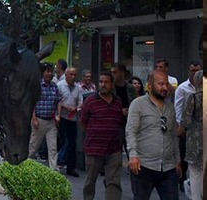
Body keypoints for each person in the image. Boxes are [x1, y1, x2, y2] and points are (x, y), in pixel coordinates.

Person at [126, 69, 181, 200]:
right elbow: (131, 131)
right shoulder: (138, 104)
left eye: (166, 84)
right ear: (150, 85)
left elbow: (173, 135)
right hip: (144, 165)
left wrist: (177, 160)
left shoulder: (170, 107)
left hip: (168, 167)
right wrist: (133, 155)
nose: (165, 88)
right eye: (161, 84)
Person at [80, 71, 125, 200]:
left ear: (112, 84)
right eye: (101, 82)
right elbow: (83, 123)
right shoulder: (90, 101)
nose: (103, 84)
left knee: (114, 182)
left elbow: (119, 123)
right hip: (94, 148)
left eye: (106, 82)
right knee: (90, 181)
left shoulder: (118, 102)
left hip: (113, 150)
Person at [28, 62, 62, 172]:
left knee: (53, 148)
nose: (50, 74)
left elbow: (58, 101)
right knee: (33, 147)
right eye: (47, 71)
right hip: (39, 120)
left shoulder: (54, 86)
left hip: (51, 121)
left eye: (51, 71)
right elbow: (31, 103)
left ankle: (54, 171)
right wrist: (34, 119)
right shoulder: (37, 86)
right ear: (42, 73)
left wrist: (58, 115)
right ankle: (24, 165)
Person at [174, 61, 202, 192]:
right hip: (189, 132)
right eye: (193, 70)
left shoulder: (197, 96)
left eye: (197, 70)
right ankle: (182, 180)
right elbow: (179, 108)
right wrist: (181, 126)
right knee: (186, 157)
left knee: (195, 168)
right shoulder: (183, 88)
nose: (195, 72)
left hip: (196, 134)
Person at [56, 67, 83, 177]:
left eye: (75, 74)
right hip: (62, 117)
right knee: (62, 141)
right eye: (71, 74)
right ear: (66, 75)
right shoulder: (60, 85)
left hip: (72, 118)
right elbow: (56, 101)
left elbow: (81, 101)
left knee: (72, 143)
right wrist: (65, 107)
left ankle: (71, 168)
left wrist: (77, 108)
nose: (73, 77)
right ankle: (56, 162)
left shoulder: (78, 87)